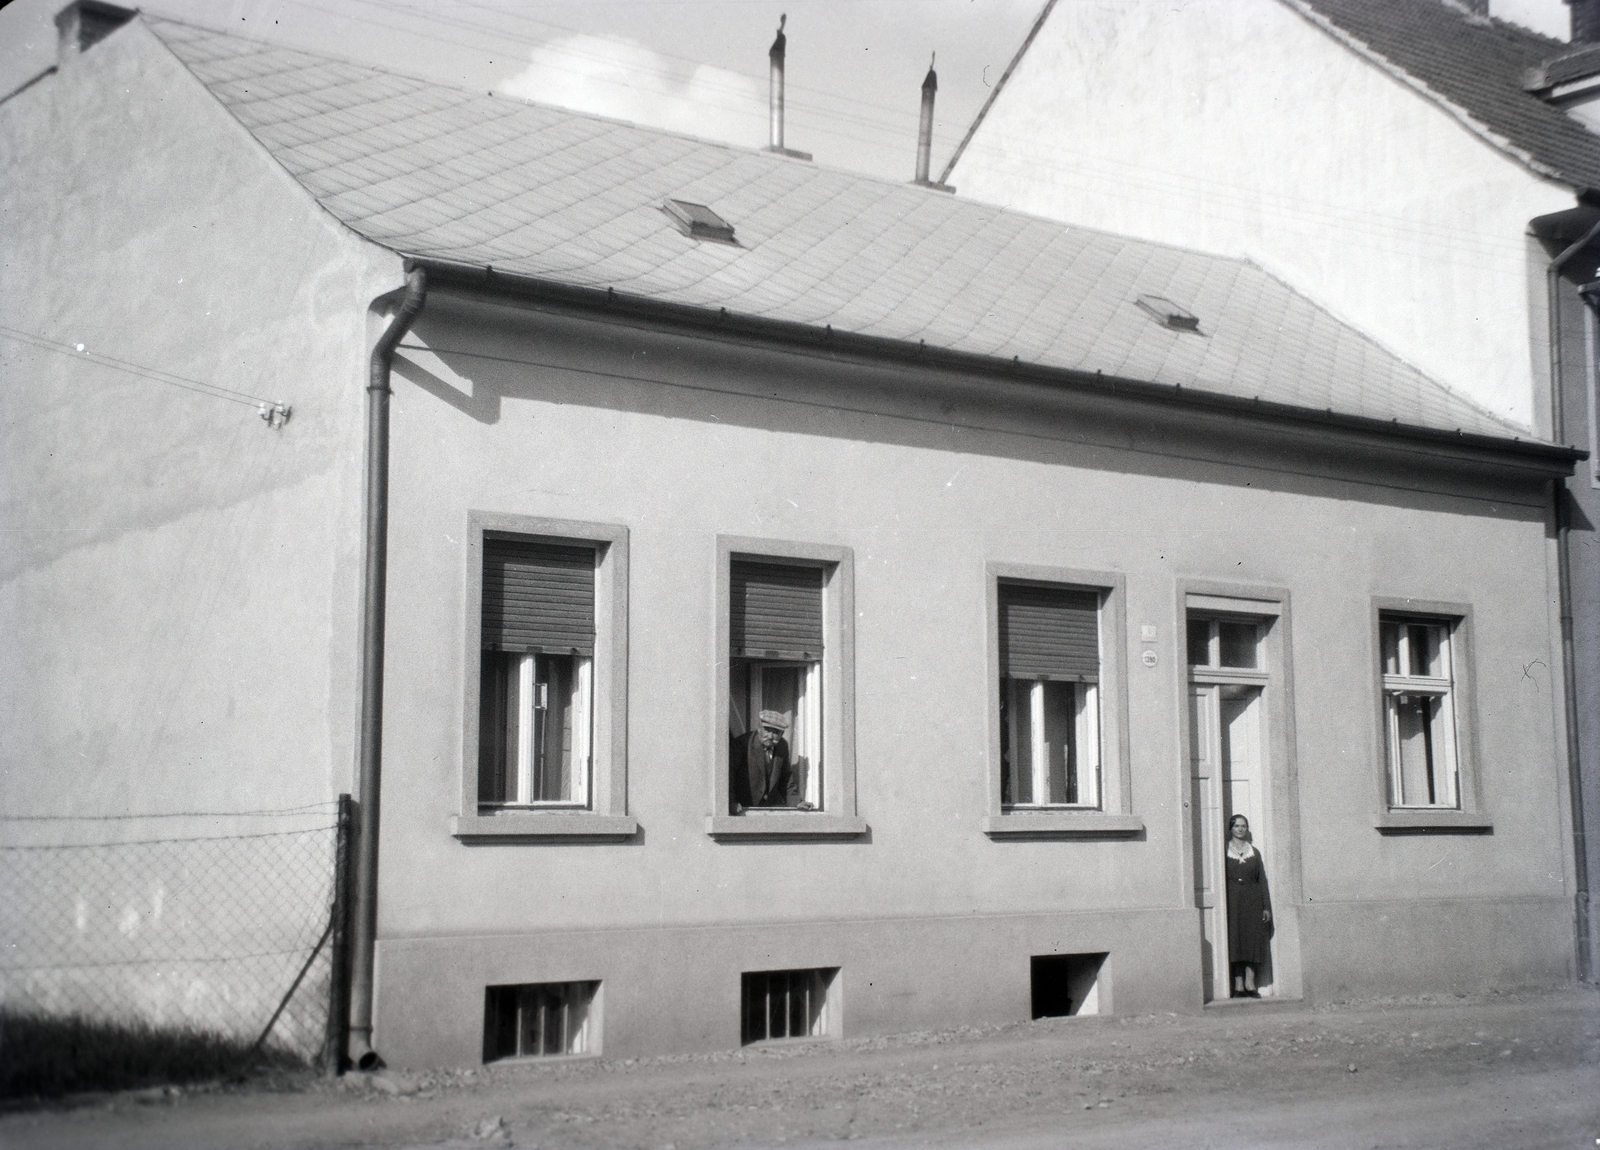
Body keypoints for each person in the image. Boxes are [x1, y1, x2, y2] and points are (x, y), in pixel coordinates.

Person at [729, 710, 814, 813]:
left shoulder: (782, 746)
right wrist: (731, 802)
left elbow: (786, 778)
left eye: (776, 732)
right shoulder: (742, 744)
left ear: (782, 734)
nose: (770, 736)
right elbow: (729, 775)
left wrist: (797, 802)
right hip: (743, 809)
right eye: (767, 730)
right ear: (759, 728)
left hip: (766, 810)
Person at [1225, 813, 1272, 998]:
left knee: (1253, 941)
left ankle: (1250, 983)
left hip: (1253, 902)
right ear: (1231, 828)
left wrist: (1266, 907)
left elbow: (1262, 881)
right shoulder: (1224, 850)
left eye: (1243, 826)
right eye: (1237, 826)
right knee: (1235, 941)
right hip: (1233, 902)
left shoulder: (1254, 852)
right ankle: (1238, 986)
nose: (1240, 829)